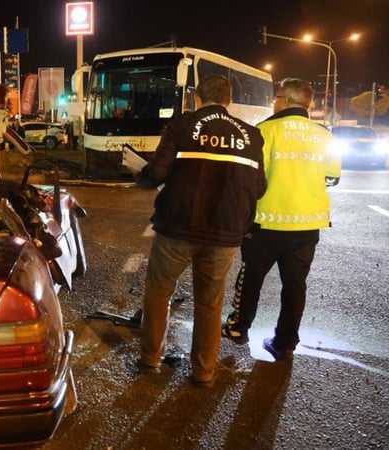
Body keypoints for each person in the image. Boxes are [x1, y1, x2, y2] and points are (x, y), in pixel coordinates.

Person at [134, 75, 266, 386]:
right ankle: (204, 372)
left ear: (197, 98)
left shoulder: (181, 125)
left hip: (178, 227)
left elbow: (157, 172)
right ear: (229, 100)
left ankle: (151, 358)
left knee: (159, 291)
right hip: (226, 233)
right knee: (209, 302)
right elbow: (259, 187)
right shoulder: (251, 135)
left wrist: (141, 177)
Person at [222, 78, 341, 360]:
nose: (274, 101)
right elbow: (332, 177)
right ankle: (285, 341)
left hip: (266, 223)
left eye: (276, 97)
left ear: (285, 100)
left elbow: (250, 177)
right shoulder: (324, 135)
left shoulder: (265, 130)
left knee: (250, 277)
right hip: (308, 224)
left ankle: (239, 328)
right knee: (295, 284)